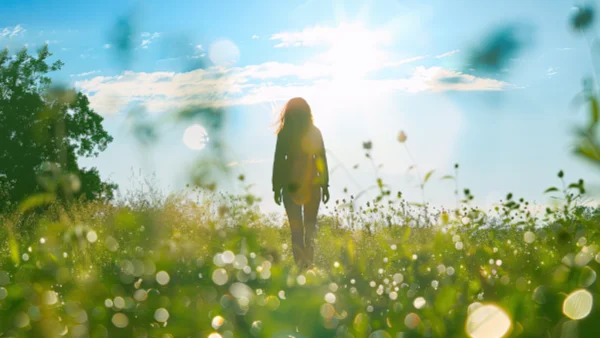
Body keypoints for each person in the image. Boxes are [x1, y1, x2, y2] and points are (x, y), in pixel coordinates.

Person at [272, 97, 330, 269]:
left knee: (296, 231)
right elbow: (321, 159)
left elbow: (279, 161)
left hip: (290, 185)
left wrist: (276, 187)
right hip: (312, 183)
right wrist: (325, 185)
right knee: (309, 229)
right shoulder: (314, 131)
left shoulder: (285, 133)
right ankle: (308, 266)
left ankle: (301, 269)